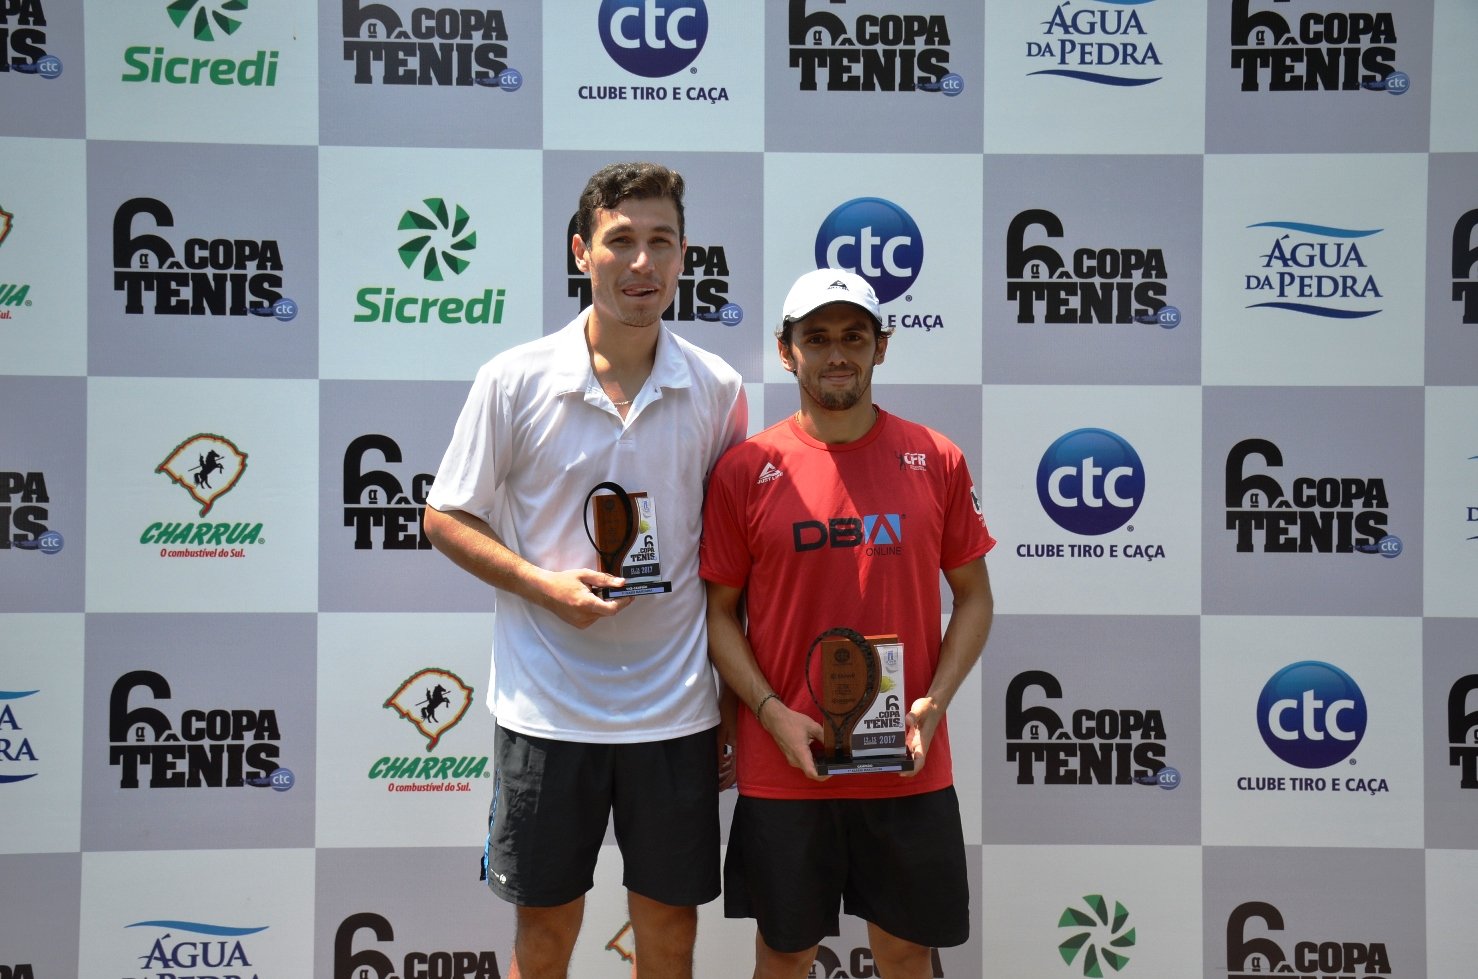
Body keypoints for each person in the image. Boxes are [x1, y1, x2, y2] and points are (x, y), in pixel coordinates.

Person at [423, 162, 747, 979]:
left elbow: (733, 563)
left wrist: (738, 705)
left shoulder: (719, 387)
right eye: (621, 242)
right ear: (582, 251)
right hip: (547, 713)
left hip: (674, 714)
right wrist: (546, 588)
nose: (642, 263)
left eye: (661, 243)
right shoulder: (515, 377)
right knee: (545, 940)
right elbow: (444, 515)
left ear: (683, 257)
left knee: (670, 940)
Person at [699, 268, 995, 979]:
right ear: (785, 350)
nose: (837, 353)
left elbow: (976, 599)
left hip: (907, 764)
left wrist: (934, 701)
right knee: (785, 953)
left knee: (904, 952)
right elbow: (718, 616)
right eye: (818, 337)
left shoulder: (937, 457)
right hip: (786, 767)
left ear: (881, 348)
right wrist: (769, 714)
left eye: (854, 337)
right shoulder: (748, 469)